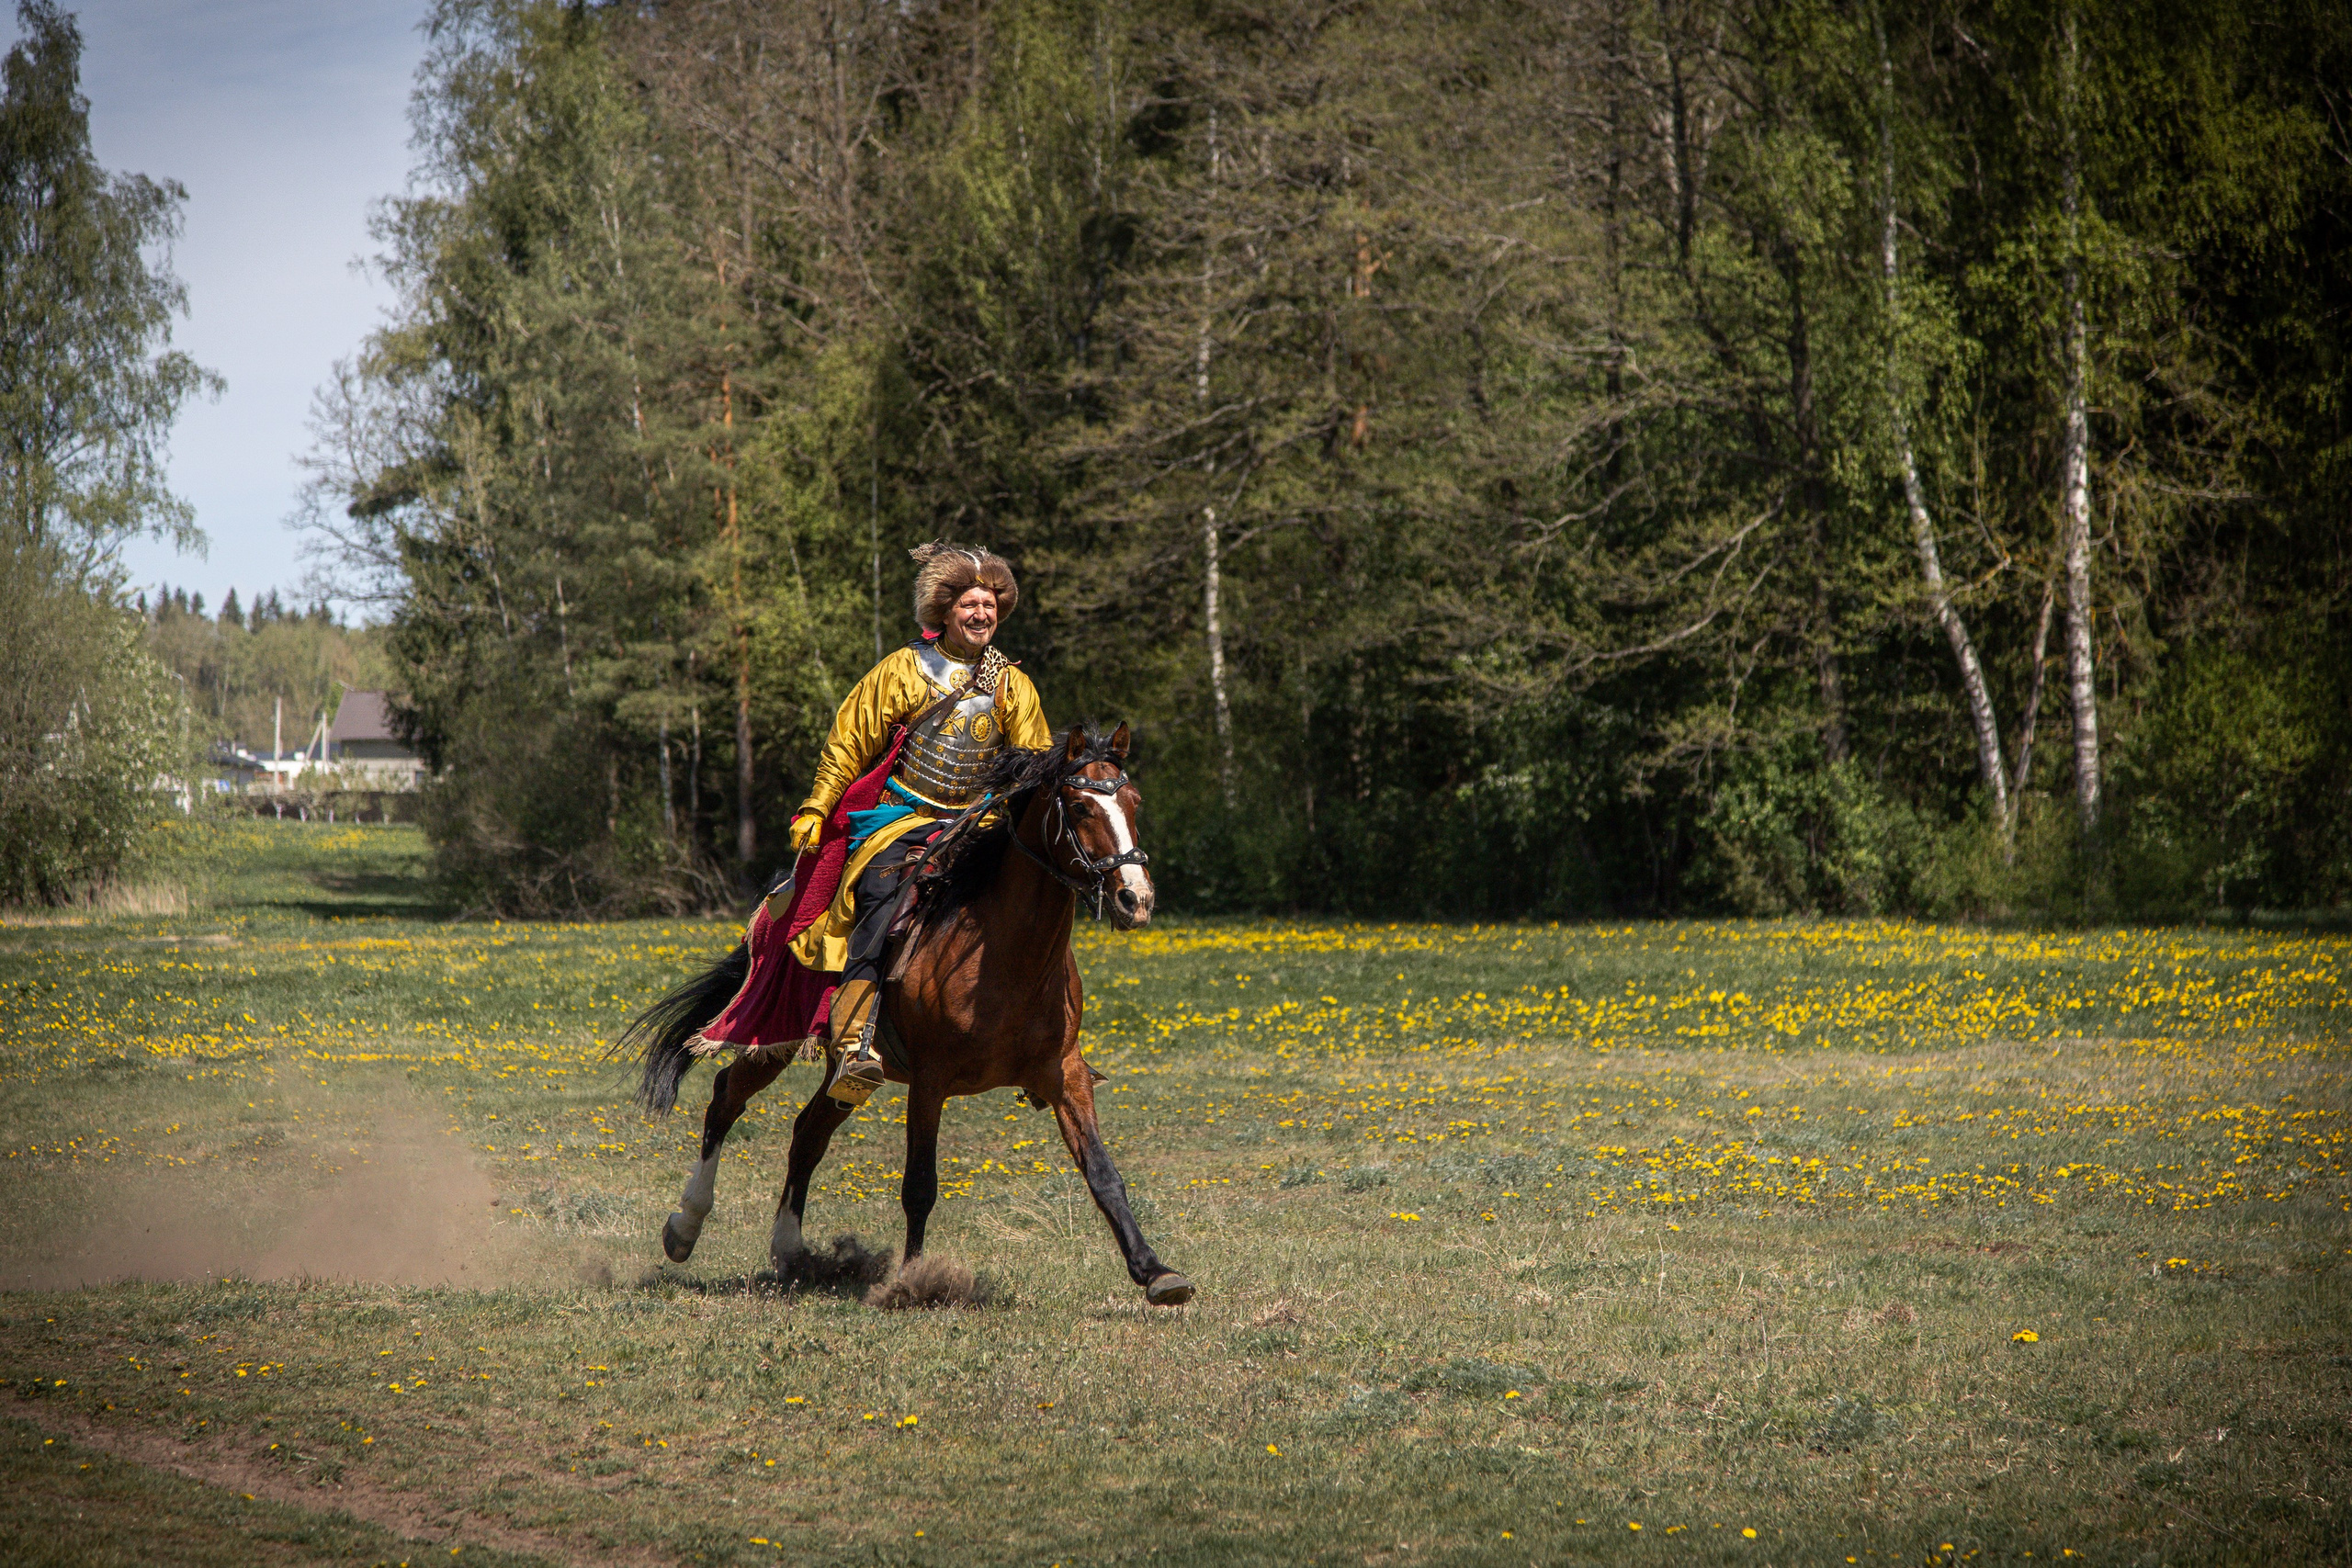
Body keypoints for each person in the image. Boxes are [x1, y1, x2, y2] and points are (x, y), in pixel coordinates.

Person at [786, 543, 1051, 1105]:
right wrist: (816, 807)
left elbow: (1033, 763)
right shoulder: (902, 670)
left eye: (991, 606)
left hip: (980, 826)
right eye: (970, 605)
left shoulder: (1014, 686)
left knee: (1037, 905)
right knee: (880, 892)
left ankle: (1048, 1044)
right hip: (905, 819)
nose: (982, 615)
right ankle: (856, 1041)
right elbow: (849, 744)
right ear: (945, 609)